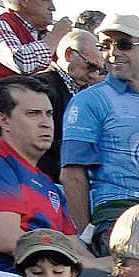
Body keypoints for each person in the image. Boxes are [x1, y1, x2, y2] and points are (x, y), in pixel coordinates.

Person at [60, 14, 139, 251]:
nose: (113, 53)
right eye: (105, 46)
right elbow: (72, 175)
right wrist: (85, 236)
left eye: (124, 44)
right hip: (119, 213)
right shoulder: (89, 101)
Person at [0, 75, 84, 272]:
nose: (46, 123)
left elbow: (76, 248)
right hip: (6, 274)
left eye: (49, 114)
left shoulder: (48, 183)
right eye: (33, 114)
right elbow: (8, 240)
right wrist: (80, 265)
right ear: (3, 120)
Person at [31, 28, 103, 183]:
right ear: (69, 54)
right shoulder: (40, 87)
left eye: (98, 70)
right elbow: (38, 142)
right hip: (49, 174)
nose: (94, 76)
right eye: (90, 66)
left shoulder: (89, 93)